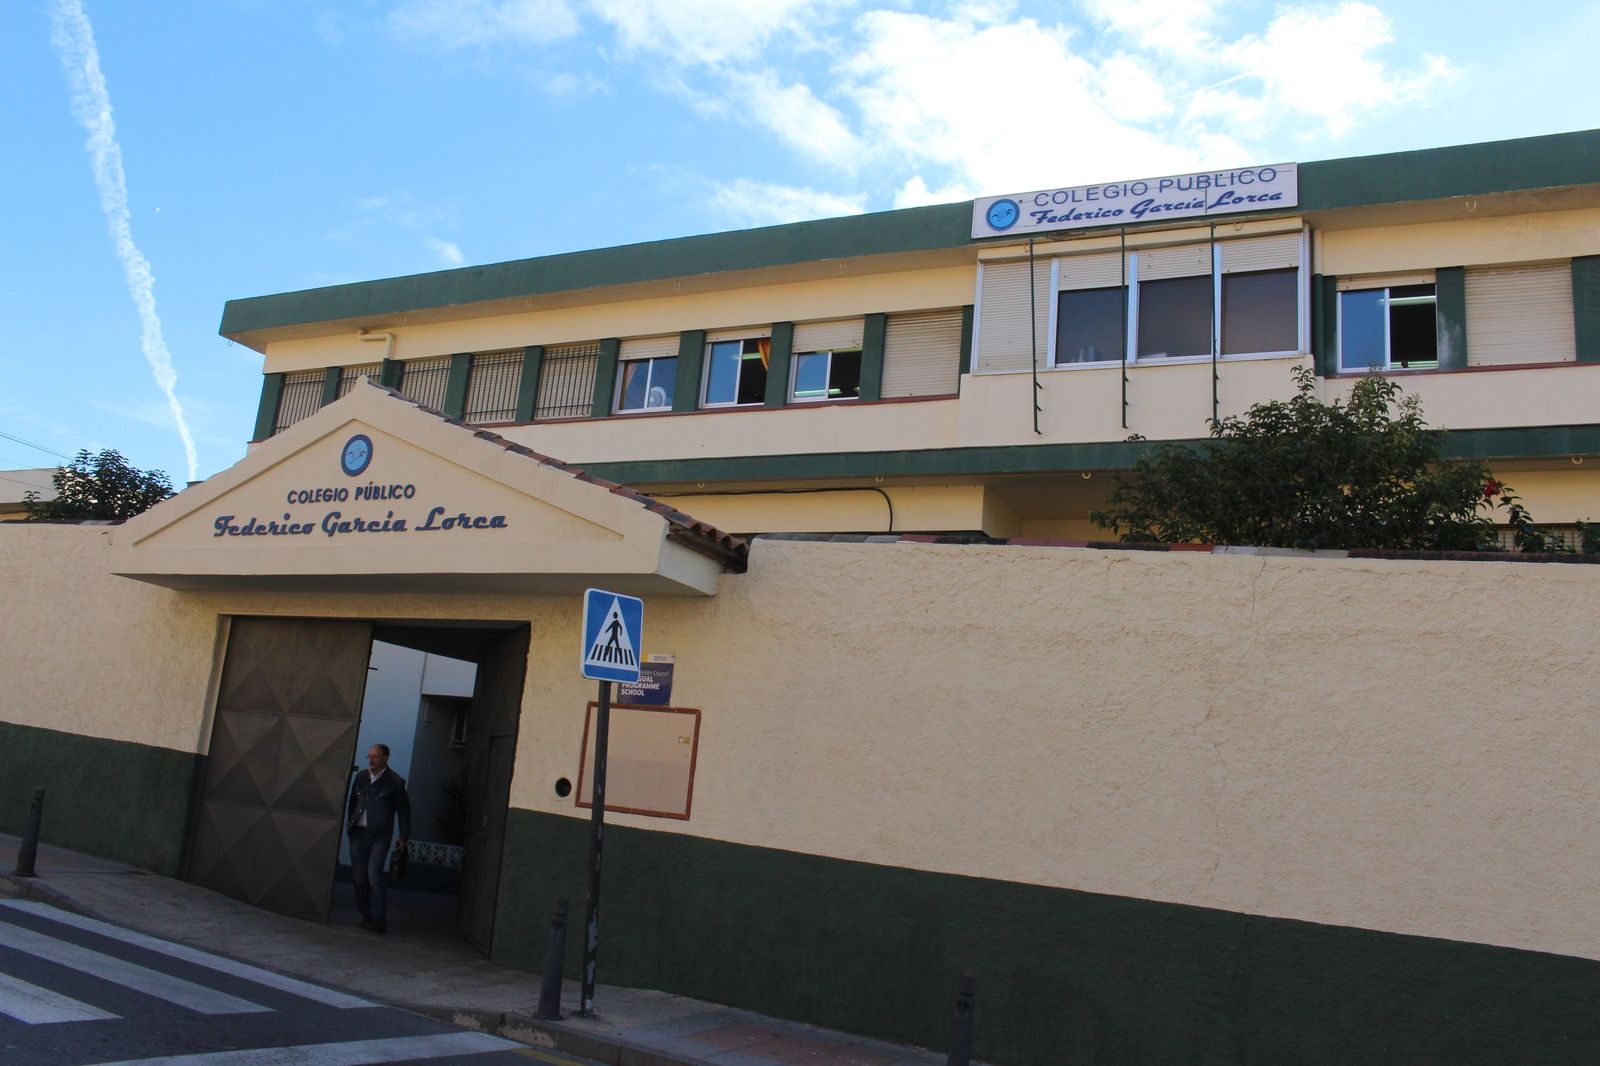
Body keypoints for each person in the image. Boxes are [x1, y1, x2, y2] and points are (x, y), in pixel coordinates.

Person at [346, 743, 411, 933]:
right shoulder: (361, 777)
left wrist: (404, 835)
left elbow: (404, 810)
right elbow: (353, 802)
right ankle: (366, 916)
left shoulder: (395, 782)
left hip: (379, 835)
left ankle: (378, 919)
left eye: (375, 756)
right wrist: (349, 824)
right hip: (358, 833)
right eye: (370, 757)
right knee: (359, 878)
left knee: (374, 875)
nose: (371, 760)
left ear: (385, 758)